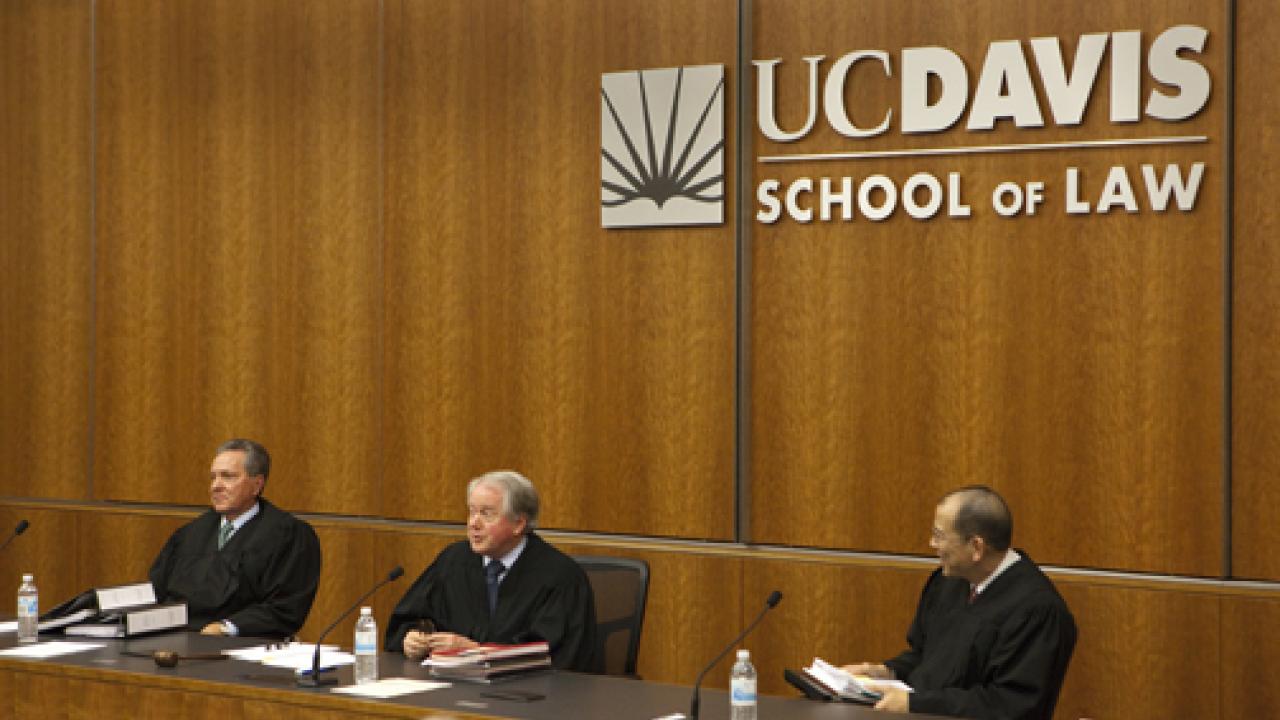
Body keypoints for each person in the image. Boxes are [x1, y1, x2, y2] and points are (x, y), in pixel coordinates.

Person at [842, 485, 1076, 719]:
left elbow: (1011, 704)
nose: (932, 543)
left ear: (976, 547)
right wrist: (882, 672)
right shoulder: (949, 582)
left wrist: (917, 704)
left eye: (939, 535)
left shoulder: (1038, 611)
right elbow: (926, 657)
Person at [385, 470, 598, 672]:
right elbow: (406, 618)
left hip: (526, 700)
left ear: (519, 524)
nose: (473, 524)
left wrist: (475, 652)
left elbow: (556, 659)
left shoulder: (560, 577)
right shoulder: (454, 561)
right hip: (451, 688)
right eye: (471, 512)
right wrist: (409, 639)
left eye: (487, 514)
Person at [149, 438, 322, 638]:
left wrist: (225, 628)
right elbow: (157, 591)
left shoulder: (288, 535)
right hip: (174, 642)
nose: (216, 486)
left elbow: (285, 608)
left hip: (242, 647)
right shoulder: (191, 533)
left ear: (257, 485)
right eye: (213, 477)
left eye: (228, 477)